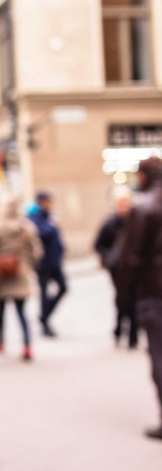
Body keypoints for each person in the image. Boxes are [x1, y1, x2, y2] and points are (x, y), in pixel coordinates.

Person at [116, 156, 162, 440]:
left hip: (154, 293)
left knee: (159, 355)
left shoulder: (144, 208)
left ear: (144, 176)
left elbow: (130, 259)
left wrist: (123, 298)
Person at [0, 195, 43, 361]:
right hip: (21, 272)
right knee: (21, 312)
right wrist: (27, 264)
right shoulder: (26, 227)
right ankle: (27, 345)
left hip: (0, 272)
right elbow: (36, 251)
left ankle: (0, 341)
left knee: (0, 310)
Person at [94, 188, 138, 348]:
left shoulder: (137, 221)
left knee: (133, 300)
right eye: (122, 204)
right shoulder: (110, 223)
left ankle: (133, 335)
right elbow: (99, 244)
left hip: (133, 268)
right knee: (122, 299)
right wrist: (109, 257)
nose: (124, 208)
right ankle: (119, 330)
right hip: (117, 268)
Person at [28, 190, 67, 337]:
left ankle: (44, 315)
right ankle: (44, 322)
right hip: (43, 263)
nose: (49, 204)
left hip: (55, 261)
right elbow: (42, 234)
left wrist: (62, 250)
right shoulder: (34, 218)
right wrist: (51, 225)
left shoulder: (50, 216)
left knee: (63, 288)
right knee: (43, 293)